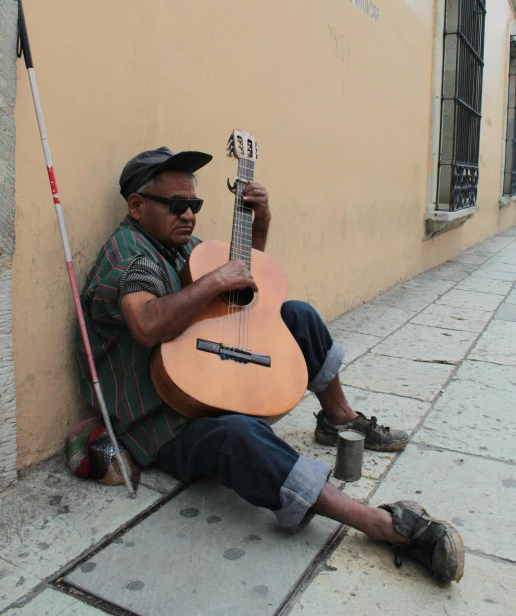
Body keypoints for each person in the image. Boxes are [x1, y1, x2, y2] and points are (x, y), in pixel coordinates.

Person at [75, 146, 464, 583]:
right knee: (240, 436)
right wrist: (216, 280)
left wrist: (259, 227)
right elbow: (146, 324)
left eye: (195, 205)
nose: (189, 216)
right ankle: (379, 524)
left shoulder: (178, 246)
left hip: (206, 378)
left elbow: (241, 288)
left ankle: (338, 419)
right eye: (177, 206)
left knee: (295, 313)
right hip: (165, 421)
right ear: (136, 205)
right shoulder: (131, 256)